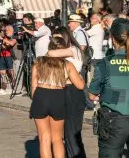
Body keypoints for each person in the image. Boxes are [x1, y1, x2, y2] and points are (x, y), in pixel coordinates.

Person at [89, 18, 129, 158]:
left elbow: (92, 95)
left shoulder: (105, 63)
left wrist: (109, 95)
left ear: (112, 38)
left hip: (113, 123)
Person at [30, 36, 85, 158]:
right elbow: (80, 86)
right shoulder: (67, 64)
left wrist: (37, 100)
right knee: (57, 139)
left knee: (44, 139)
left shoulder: (38, 63)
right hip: (58, 96)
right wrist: (81, 77)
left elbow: (33, 88)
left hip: (41, 95)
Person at [47, 27, 87, 158]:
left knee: (72, 132)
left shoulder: (73, 50)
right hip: (64, 90)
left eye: (58, 38)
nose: (55, 41)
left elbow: (50, 53)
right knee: (67, 132)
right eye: (53, 38)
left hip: (72, 91)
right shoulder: (66, 52)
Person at [0, 25, 17, 95]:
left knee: (11, 71)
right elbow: (3, 45)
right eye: (4, 31)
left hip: (9, 56)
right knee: (2, 73)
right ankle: (3, 88)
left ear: (11, 30)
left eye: (6, 30)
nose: (5, 32)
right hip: (1, 55)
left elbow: (10, 44)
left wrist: (1, 38)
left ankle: (14, 86)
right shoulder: (4, 37)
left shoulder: (13, 36)